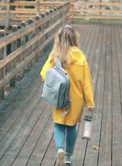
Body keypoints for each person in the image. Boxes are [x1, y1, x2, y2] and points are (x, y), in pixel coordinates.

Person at [40, 25, 95, 166]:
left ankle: (60, 150)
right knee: (71, 127)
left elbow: (44, 73)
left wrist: (53, 83)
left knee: (58, 124)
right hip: (76, 98)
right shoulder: (81, 57)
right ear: (74, 38)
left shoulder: (55, 55)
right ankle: (69, 156)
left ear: (59, 39)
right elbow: (86, 82)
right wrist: (90, 102)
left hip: (59, 96)